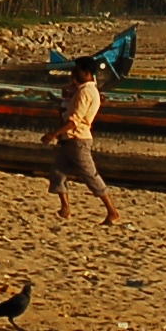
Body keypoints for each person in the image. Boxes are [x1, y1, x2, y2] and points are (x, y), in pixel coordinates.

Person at [51, 62, 121, 228]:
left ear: (86, 72)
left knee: (90, 175)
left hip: (78, 139)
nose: (74, 74)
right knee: (56, 172)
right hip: (71, 139)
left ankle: (112, 212)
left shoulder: (86, 92)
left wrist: (54, 133)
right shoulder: (82, 90)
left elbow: (75, 119)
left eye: (77, 71)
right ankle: (65, 209)